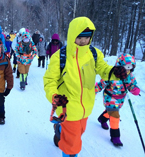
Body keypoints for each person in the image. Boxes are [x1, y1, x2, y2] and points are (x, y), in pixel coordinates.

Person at [43, 17, 127, 157]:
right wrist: (54, 96)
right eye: (79, 37)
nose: (83, 41)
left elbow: (103, 69)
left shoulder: (94, 54)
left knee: (79, 132)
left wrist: (114, 72)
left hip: (86, 106)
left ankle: (59, 129)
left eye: (87, 37)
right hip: (67, 106)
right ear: (72, 36)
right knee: (72, 145)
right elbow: (50, 80)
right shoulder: (60, 57)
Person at [95, 53, 140, 146]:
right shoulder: (111, 74)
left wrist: (134, 89)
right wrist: (93, 91)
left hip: (120, 99)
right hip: (110, 97)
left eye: (130, 67)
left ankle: (102, 119)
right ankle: (115, 137)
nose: (128, 70)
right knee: (115, 116)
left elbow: (132, 84)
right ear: (120, 65)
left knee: (111, 112)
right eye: (126, 67)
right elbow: (101, 84)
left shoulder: (130, 76)